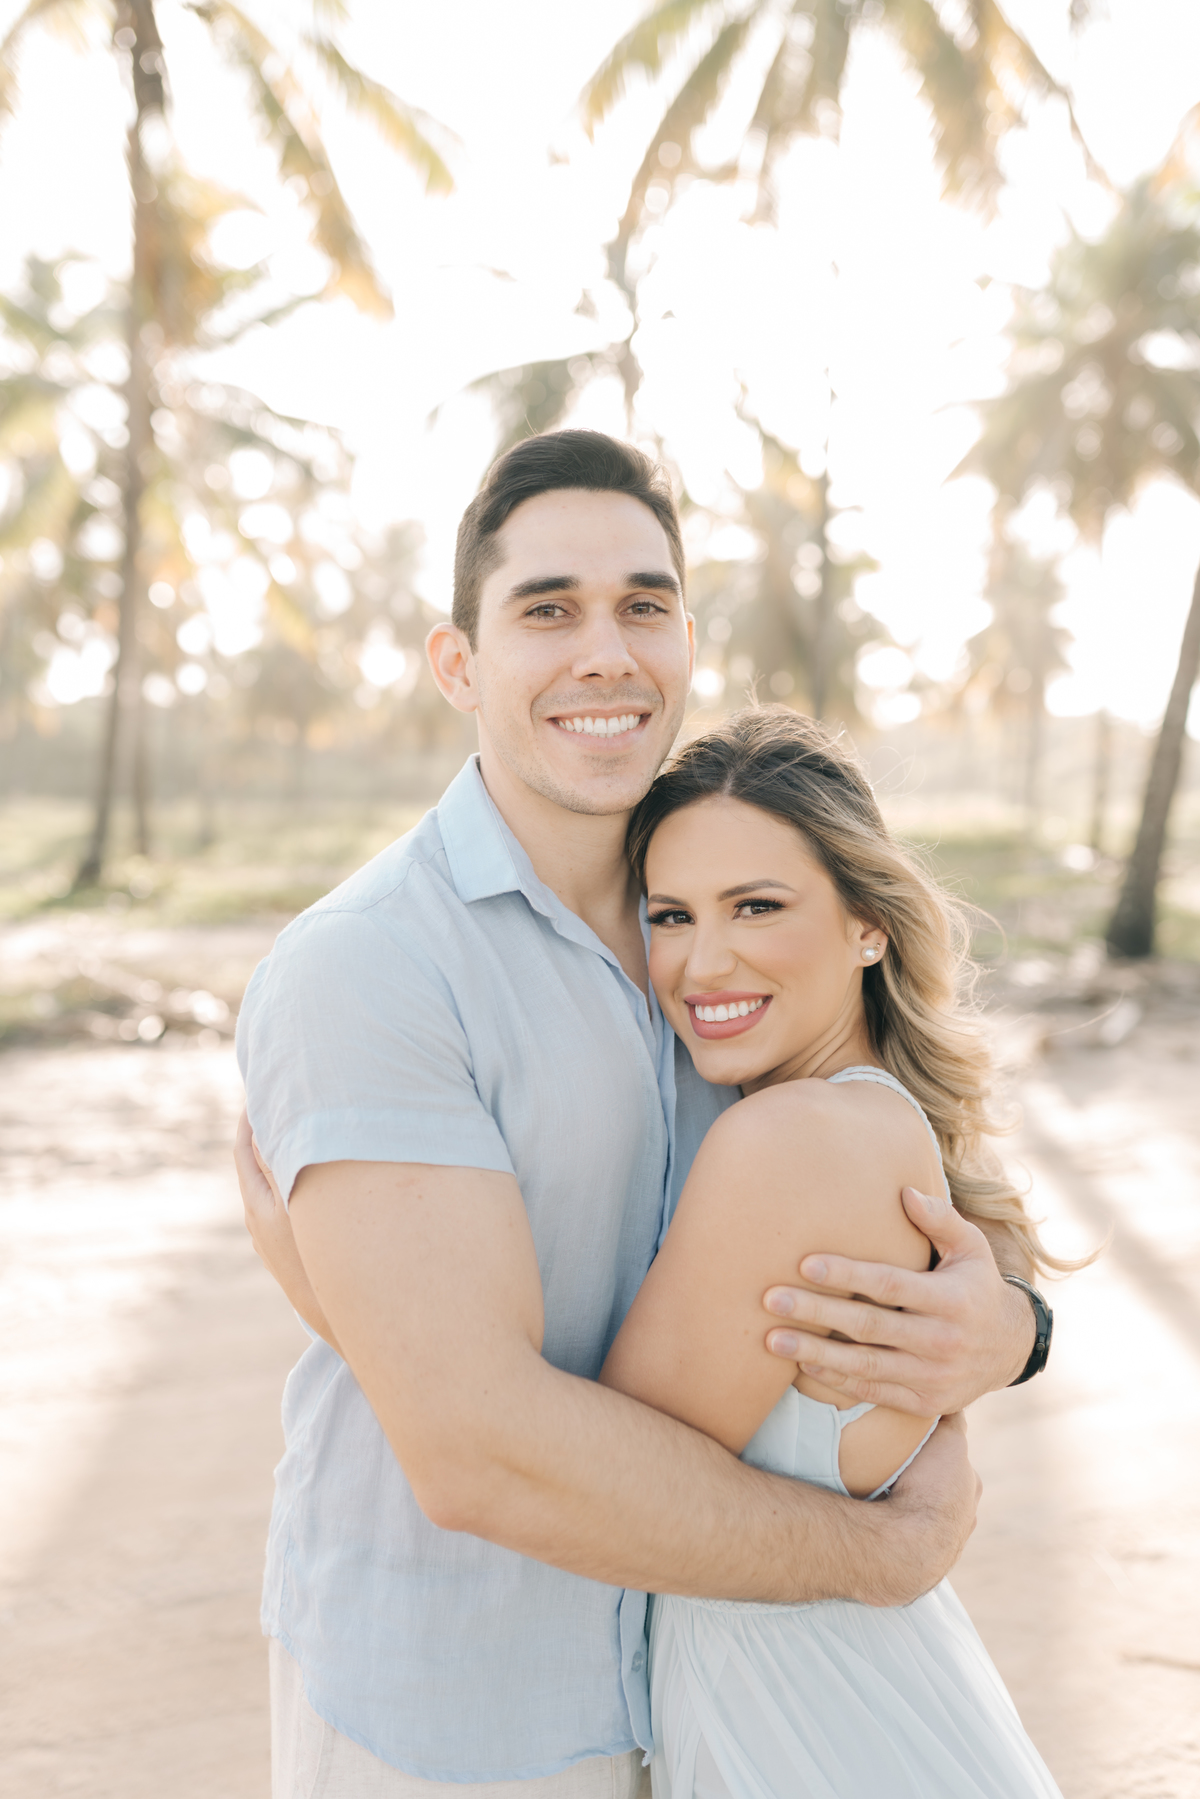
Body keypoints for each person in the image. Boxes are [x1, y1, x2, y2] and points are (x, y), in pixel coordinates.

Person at [234, 429, 1049, 1797]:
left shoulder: (718, 954)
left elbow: (906, 1216)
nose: (604, 651)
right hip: (463, 1711)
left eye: (643, 605)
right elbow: (476, 1453)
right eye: (548, 609)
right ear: (459, 663)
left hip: (695, 1706)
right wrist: (885, 1547)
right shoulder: (373, 964)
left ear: (683, 644)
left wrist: (1013, 1328)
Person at [602, 707, 1073, 1797]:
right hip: (861, 1706)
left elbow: (591, 1477)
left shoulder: (792, 1138)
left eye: (757, 905)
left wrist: (333, 1289)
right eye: (670, 915)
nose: (703, 961)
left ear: (869, 923)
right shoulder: (867, 1119)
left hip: (811, 1734)